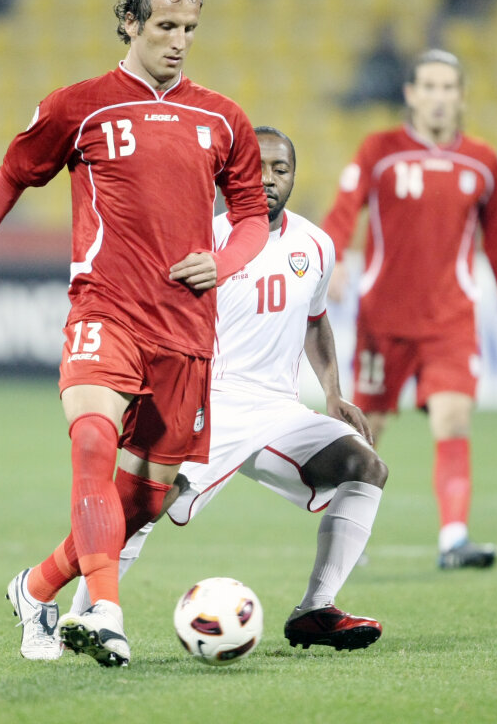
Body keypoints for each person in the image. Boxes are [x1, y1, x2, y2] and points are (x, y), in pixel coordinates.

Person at [0, 0, 268, 667]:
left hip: (186, 330)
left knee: (144, 503)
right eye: (165, 26)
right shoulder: (80, 107)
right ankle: (104, 610)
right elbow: (7, 181)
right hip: (106, 310)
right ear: (130, 23)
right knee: (94, 442)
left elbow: (251, 214)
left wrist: (224, 264)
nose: (179, 41)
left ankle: (35, 588)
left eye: (189, 28)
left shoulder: (223, 118)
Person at [67, 127, 389, 651]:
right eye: (256, 168)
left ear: (294, 176)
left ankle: (315, 608)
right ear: (231, 175)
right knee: (144, 505)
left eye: (281, 169)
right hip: (208, 401)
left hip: (278, 410)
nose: (268, 180)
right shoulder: (203, 238)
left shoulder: (316, 245)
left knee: (366, 467)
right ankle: (82, 617)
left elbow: (315, 320)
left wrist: (333, 393)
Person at [322, 49, 497, 570]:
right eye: (429, 87)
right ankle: (347, 537)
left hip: (450, 320)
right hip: (383, 320)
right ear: (411, 94)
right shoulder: (380, 150)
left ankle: (454, 539)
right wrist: (333, 260)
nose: (439, 97)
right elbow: (343, 210)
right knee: (367, 429)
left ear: (461, 97)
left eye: (448, 88)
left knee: (453, 418)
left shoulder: (482, 161)